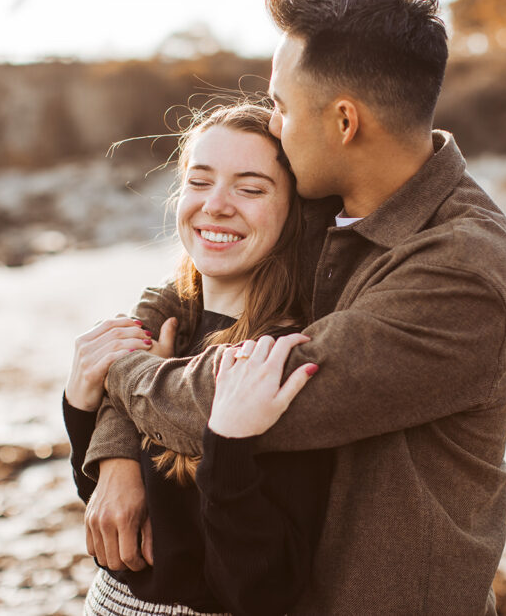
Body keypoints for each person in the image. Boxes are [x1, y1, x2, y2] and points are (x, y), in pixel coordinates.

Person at [87, 0, 506, 615]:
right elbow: (181, 296)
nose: (273, 121)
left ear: (344, 122)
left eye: (283, 105)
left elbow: (241, 392)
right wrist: (116, 451)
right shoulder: (325, 205)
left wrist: (120, 369)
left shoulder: (463, 270)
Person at [63, 103, 333, 615]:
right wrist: (87, 417)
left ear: (294, 211)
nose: (216, 205)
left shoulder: (274, 357)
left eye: (250, 188)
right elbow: (115, 527)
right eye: (199, 181)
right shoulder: (171, 324)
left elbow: (262, 589)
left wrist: (226, 450)